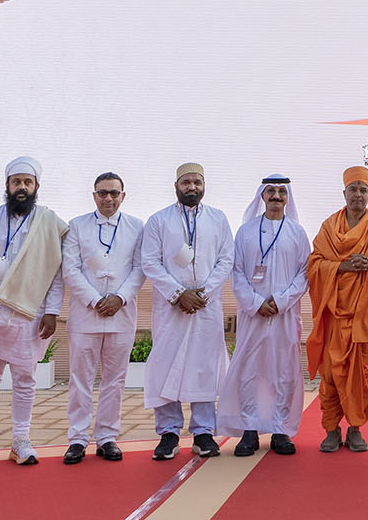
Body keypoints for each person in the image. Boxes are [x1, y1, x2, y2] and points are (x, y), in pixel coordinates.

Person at [0, 156, 67, 468]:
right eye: (16, 182)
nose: (22, 187)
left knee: (25, 379)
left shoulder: (47, 222)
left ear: (36, 187)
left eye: (27, 182)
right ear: (7, 186)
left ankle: (21, 440)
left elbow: (56, 273)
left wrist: (52, 311)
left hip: (28, 313)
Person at [141, 162, 234, 461]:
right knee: (166, 365)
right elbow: (150, 262)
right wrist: (179, 294)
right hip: (171, 308)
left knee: (204, 366)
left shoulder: (218, 219)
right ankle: (168, 433)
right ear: (176, 186)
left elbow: (226, 260)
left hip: (206, 307)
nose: (191, 187)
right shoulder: (158, 221)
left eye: (196, 181)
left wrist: (203, 294)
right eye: (186, 182)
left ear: (204, 185)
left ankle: (203, 432)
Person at [305, 165, 368, 454]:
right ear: (344, 193)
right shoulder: (329, 226)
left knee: (361, 373)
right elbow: (314, 264)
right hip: (334, 313)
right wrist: (342, 266)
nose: (358, 194)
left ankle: (356, 428)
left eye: (363, 190)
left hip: (363, 315)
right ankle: (331, 429)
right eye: (353, 189)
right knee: (331, 374)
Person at [217, 175, 311, 457]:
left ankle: (280, 430)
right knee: (250, 371)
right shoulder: (245, 231)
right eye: (270, 191)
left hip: (284, 315)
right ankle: (249, 430)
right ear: (262, 195)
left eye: (281, 192)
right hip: (253, 315)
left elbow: (305, 274)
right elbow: (237, 273)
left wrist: (280, 302)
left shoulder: (297, 232)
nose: (276, 196)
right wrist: (257, 303)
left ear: (287, 197)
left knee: (283, 371)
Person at [61, 172, 144, 464]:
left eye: (113, 193)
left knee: (115, 379)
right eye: (102, 193)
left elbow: (139, 269)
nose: (108, 198)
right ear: (93, 195)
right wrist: (96, 300)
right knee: (80, 378)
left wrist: (119, 298)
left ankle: (107, 436)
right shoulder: (77, 226)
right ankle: (78, 438)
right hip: (86, 314)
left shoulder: (136, 227)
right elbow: (70, 270)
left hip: (121, 314)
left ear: (123, 195)